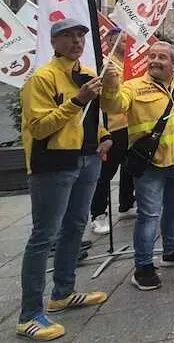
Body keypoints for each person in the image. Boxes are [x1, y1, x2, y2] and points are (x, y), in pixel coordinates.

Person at [18, 19, 111, 341]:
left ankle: (63, 292)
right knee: (44, 236)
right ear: (54, 42)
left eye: (80, 36)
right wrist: (78, 100)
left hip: (87, 159)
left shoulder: (86, 74)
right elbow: (40, 127)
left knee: (75, 226)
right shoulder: (42, 79)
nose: (76, 41)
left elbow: (88, 121)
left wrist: (104, 135)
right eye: (68, 36)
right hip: (53, 163)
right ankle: (29, 314)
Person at [101, 41, 174, 291]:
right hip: (150, 162)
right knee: (148, 215)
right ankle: (143, 266)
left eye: (162, 57)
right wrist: (109, 84)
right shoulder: (132, 86)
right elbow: (113, 106)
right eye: (152, 56)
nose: (155, 61)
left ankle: (171, 251)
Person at [90, 27, 135, 235]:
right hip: (112, 126)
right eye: (122, 41)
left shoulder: (132, 64)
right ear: (110, 42)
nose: (126, 45)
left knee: (130, 167)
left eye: (127, 41)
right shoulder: (105, 65)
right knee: (106, 173)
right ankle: (98, 213)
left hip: (131, 124)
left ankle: (126, 204)